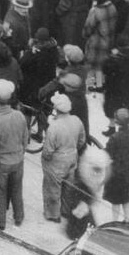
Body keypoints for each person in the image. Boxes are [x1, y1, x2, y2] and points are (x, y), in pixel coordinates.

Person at [0, 79, 28, 231]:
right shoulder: (19, 115)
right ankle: (19, 217)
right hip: (18, 161)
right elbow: (25, 139)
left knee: (0, 194)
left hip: (0, 164)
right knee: (17, 190)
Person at [41, 92, 85, 223]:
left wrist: (45, 158)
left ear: (56, 109)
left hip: (57, 161)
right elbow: (82, 140)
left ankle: (53, 214)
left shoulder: (54, 127)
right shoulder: (77, 120)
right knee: (68, 186)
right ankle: (65, 211)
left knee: (52, 188)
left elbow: (48, 150)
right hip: (72, 157)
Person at [103, 109, 129, 223]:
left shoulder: (114, 137)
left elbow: (108, 153)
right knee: (126, 198)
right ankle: (127, 218)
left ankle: (115, 221)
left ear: (117, 122)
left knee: (116, 200)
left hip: (116, 173)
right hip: (128, 171)